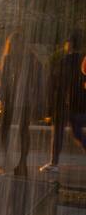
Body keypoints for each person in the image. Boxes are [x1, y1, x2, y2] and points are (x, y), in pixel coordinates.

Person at [0, 31, 45, 176]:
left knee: (7, 130)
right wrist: (39, 99)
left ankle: (12, 161)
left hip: (15, 100)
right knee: (22, 131)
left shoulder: (10, 58)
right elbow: (2, 79)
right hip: (22, 101)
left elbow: (1, 80)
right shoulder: (30, 59)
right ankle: (19, 162)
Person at [40, 30, 86, 172]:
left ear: (70, 44)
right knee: (77, 132)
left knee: (58, 133)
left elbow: (53, 83)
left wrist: (50, 104)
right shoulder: (83, 60)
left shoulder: (63, 61)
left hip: (63, 103)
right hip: (79, 103)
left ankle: (54, 163)